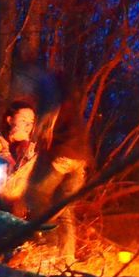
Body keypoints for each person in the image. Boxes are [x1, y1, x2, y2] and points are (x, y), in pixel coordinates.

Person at [24, 88, 90, 263]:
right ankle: (67, 257)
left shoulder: (53, 107)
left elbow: (43, 135)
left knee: (35, 194)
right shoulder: (71, 111)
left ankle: (48, 245)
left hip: (64, 157)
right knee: (66, 209)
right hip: (80, 161)